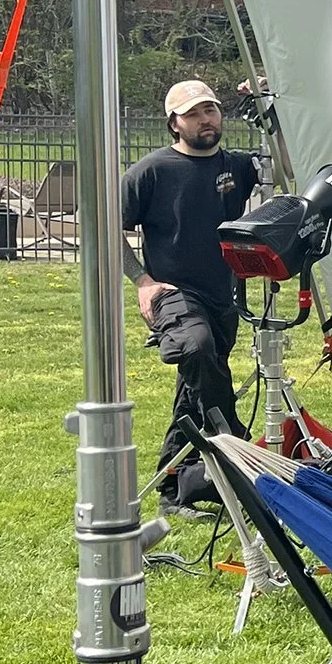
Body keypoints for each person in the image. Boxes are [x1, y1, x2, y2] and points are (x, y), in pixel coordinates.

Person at [122, 80, 261, 497]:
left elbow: (288, 166)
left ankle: (173, 486)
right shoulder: (151, 170)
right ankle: (236, 443)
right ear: (174, 123)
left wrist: (267, 104)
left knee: (196, 380)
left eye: (212, 110)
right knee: (196, 349)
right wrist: (141, 281)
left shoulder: (237, 167)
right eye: (195, 113)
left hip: (224, 295)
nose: (206, 120)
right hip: (172, 292)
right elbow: (104, 227)